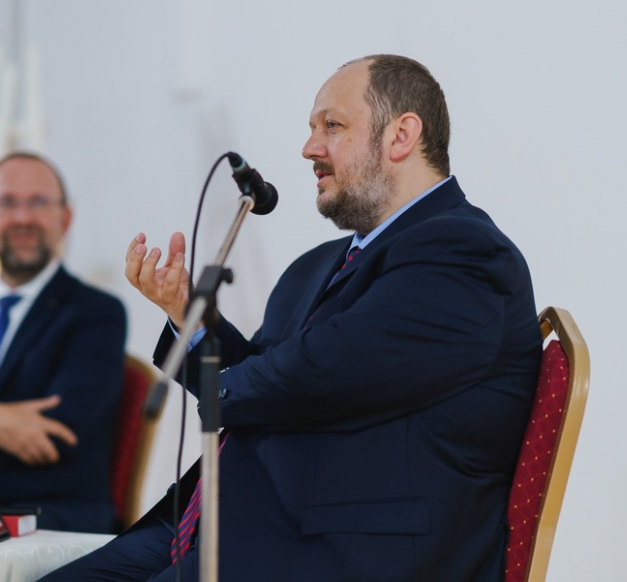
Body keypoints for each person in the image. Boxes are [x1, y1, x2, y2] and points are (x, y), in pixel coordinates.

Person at [40, 54, 542, 581]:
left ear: (401, 136)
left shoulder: (464, 253)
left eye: (332, 126)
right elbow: (267, 371)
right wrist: (187, 318)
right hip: (238, 523)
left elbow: (322, 373)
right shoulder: (318, 265)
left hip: (346, 552)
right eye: (311, 128)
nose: (309, 148)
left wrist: (224, 389)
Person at [0, 151, 127, 533]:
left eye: (38, 202)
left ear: (65, 219)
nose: (22, 218)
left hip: (50, 516)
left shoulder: (97, 313)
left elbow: (55, 434)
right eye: (7, 202)